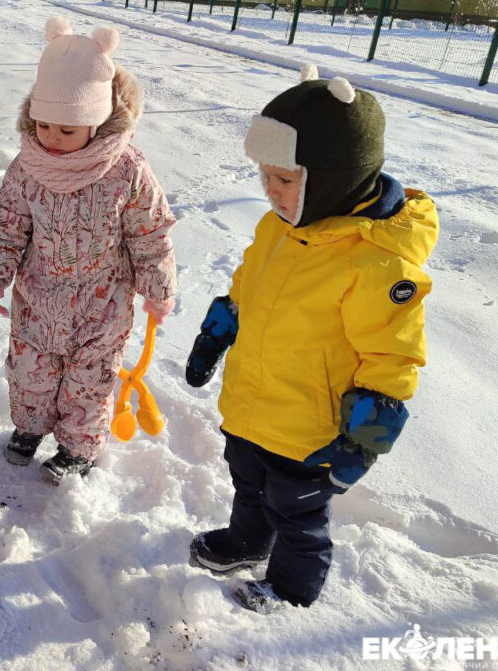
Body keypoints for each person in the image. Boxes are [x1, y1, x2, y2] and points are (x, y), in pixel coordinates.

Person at [185, 65, 438, 612]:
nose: (271, 191)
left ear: (333, 177)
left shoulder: (376, 261)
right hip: (254, 404)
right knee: (248, 484)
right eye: (265, 177)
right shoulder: (279, 227)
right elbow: (248, 286)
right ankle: (245, 544)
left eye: (285, 179)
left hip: (311, 428)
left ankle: (291, 592)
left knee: (297, 513)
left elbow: (392, 355)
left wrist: (366, 434)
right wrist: (220, 328)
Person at [0, 17, 177, 485]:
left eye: (67, 130)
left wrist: (158, 289)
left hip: (102, 303)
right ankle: (29, 428)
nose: (51, 137)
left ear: (96, 119)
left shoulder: (125, 168)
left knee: (90, 382)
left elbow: (150, 233)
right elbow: (7, 223)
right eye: (43, 124)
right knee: (30, 372)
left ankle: (77, 448)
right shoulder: (29, 165)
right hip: (38, 297)